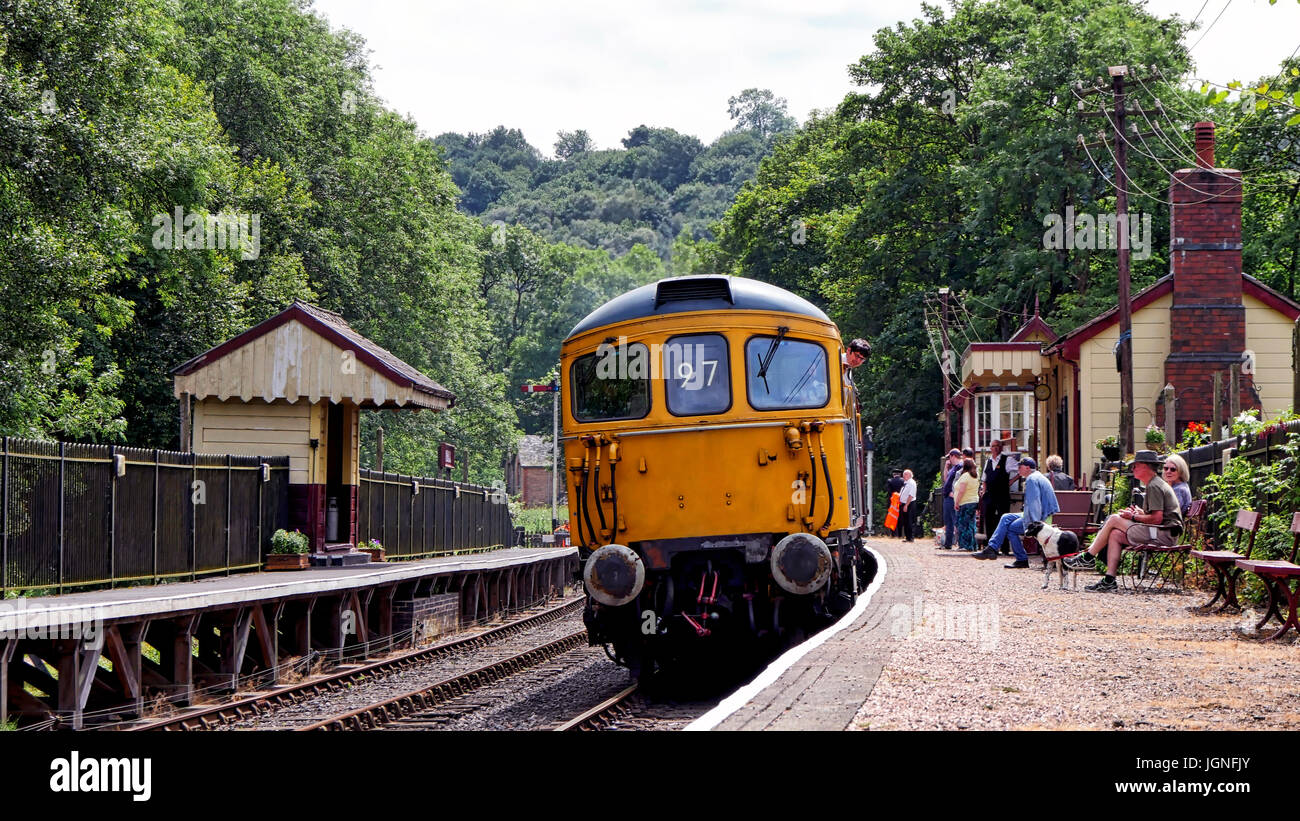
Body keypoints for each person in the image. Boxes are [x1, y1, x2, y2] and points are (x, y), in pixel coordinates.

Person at [1063, 450, 1183, 592]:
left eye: (1135, 466)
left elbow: (1157, 518)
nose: (1133, 469)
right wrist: (1140, 513)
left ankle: (1088, 556)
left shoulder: (1154, 486)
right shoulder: (1155, 484)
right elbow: (1157, 516)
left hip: (1165, 535)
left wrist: (1133, 517)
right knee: (1115, 534)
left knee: (1114, 519)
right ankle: (1109, 579)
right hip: (1161, 532)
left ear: (1145, 466)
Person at [973, 456, 1060, 568]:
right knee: (1006, 517)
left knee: (1011, 528)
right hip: (1041, 513)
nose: (1018, 468)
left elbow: (1034, 503)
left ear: (1028, 468)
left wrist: (1033, 524)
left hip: (1040, 518)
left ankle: (1020, 559)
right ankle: (992, 548)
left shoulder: (1031, 480)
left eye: (1020, 466)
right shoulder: (1037, 476)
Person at [980, 439, 1014, 549]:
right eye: (993, 446)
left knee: (1003, 519)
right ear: (990, 448)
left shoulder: (1007, 460)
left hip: (1002, 495)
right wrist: (984, 491)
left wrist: (1011, 481)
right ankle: (990, 546)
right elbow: (984, 478)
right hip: (989, 495)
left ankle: (1004, 547)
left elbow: (1019, 470)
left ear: (1001, 447)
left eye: (998, 446)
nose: (995, 448)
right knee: (989, 520)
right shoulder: (988, 461)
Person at [952, 457, 980, 551]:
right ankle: (973, 545)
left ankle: (965, 545)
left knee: (963, 524)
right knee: (971, 524)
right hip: (973, 501)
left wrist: (957, 502)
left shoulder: (965, 476)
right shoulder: (976, 476)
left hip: (965, 502)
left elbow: (961, 491)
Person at [940, 448, 963, 549]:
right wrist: (946, 467)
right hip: (947, 498)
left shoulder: (960, 466)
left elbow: (959, 482)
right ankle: (948, 543)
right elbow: (945, 479)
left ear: (953, 456)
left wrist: (953, 493)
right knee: (948, 521)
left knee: (955, 521)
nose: (948, 459)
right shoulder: (953, 468)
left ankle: (960, 543)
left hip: (952, 497)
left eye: (949, 457)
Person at [898, 468, 917, 542]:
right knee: (905, 521)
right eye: (903, 474)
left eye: (905, 474)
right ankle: (907, 537)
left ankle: (910, 537)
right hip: (904, 503)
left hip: (909, 504)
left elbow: (911, 495)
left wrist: (906, 505)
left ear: (910, 475)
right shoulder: (906, 483)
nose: (903, 475)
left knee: (909, 520)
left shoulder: (912, 483)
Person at [884, 468, 904, 536]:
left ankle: (893, 533)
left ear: (893, 474)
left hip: (892, 503)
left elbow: (889, 492)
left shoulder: (890, 481)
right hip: (901, 502)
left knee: (892, 517)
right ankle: (900, 534)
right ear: (900, 474)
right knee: (900, 518)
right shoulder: (903, 481)